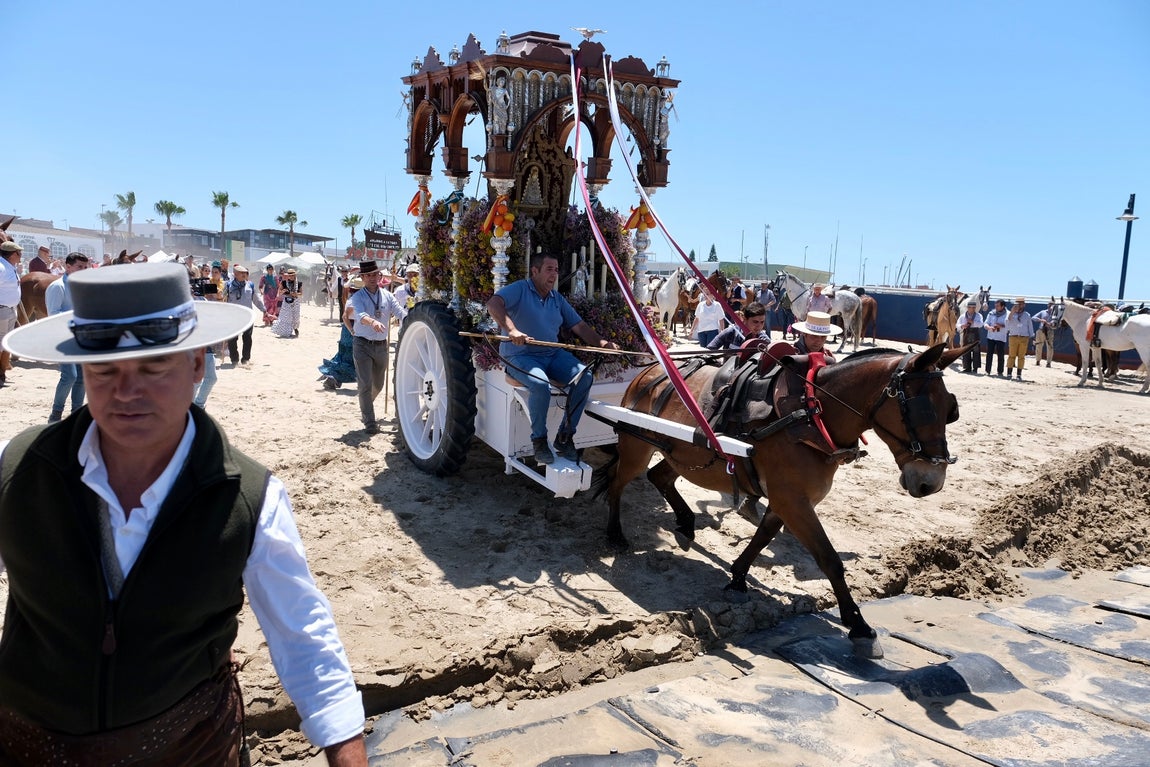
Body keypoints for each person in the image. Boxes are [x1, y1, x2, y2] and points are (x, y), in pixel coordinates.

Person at [0, 263, 367, 766]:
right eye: (105, 369)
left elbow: (304, 636)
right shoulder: (20, 469)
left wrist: (346, 754)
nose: (127, 391)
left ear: (198, 364)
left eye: (153, 367)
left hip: (190, 750)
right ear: (82, 369)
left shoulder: (249, 499)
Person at [487, 252, 617, 464]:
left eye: (556, 270)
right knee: (540, 385)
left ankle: (565, 437)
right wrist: (512, 330)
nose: (554, 274)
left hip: (551, 354)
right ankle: (539, 441)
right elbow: (494, 303)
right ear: (535, 271)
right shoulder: (520, 288)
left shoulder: (557, 299)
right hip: (520, 355)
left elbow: (580, 326)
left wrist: (602, 344)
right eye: (549, 269)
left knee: (584, 377)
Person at [348, 261, 406, 433]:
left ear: (379, 276)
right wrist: (372, 321)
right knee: (365, 384)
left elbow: (399, 312)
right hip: (362, 344)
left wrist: (411, 318)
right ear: (363, 278)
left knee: (379, 385)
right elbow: (359, 314)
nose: (372, 278)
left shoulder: (387, 295)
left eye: (375, 274)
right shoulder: (357, 297)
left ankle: (365, 404)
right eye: (369, 275)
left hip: (382, 346)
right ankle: (369, 421)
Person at [46, 252, 91, 421]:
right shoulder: (58, 287)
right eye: (79, 267)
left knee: (81, 378)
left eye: (85, 267)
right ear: (68, 266)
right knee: (69, 376)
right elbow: (53, 315)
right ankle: (56, 414)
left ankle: (76, 415)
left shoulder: (83, 287)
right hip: (62, 339)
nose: (83, 270)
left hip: (80, 338)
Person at [320, 275, 363, 390]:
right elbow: (345, 317)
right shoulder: (354, 300)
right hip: (352, 329)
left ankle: (334, 379)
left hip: (350, 330)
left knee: (346, 356)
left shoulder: (353, 299)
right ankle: (334, 379)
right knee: (350, 357)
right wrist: (352, 331)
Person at [224, 264, 266, 366]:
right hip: (233, 317)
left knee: (247, 338)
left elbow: (256, 299)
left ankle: (245, 359)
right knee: (232, 339)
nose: (244, 275)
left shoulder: (250, 285)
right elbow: (223, 300)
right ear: (235, 274)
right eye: (241, 273)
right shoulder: (228, 285)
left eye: (245, 273)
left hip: (248, 316)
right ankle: (234, 359)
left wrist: (264, 310)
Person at [0, 242, 23, 386]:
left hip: (9, 309)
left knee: (4, 344)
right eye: (19, 253)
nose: (20, 256)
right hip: (2, 310)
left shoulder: (9, 266)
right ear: (13, 254)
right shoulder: (1, 267)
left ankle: (1, 372)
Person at [1005, 297, 1033, 380]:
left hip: (1024, 337)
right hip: (1013, 336)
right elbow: (1007, 322)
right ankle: (1009, 373)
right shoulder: (1011, 313)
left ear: (1024, 305)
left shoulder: (1027, 315)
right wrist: (1013, 312)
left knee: (1021, 356)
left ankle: (1019, 375)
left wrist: (1031, 336)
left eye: (1021, 304)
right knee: (1011, 355)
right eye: (1018, 304)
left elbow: (1030, 326)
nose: (1020, 306)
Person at [272, 268, 303, 338]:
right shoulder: (283, 283)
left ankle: (295, 328)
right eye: (289, 275)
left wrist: (296, 294)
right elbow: (279, 292)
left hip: (296, 301)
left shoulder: (299, 283)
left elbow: (301, 293)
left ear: (295, 275)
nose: (291, 277)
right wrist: (283, 291)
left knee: (296, 317)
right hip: (287, 301)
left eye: (292, 275)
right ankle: (287, 331)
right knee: (286, 317)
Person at [956, 298, 984, 374]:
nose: (971, 309)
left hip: (975, 333)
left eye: (973, 308)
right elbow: (957, 325)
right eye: (970, 307)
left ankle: (975, 368)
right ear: (967, 308)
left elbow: (981, 324)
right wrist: (962, 326)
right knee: (966, 350)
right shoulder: (962, 316)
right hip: (966, 333)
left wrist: (973, 322)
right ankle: (967, 367)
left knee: (976, 350)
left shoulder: (978, 315)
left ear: (975, 308)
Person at [984, 298, 1008, 377]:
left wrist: (1001, 326)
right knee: (989, 354)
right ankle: (987, 371)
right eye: (995, 306)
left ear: (1003, 306)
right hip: (991, 336)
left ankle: (1000, 372)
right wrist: (989, 327)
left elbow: (1009, 326)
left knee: (1000, 355)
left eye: (998, 306)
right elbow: (986, 323)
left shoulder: (1008, 314)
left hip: (1001, 337)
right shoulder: (991, 313)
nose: (996, 307)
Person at [1032, 301, 1058, 368]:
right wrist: (1041, 320)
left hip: (1050, 331)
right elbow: (1033, 317)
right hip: (1041, 330)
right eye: (1049, 304)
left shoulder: (1055, 314)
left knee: (1050, 347)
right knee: (1038, 345)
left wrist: (1051, 324)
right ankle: (1038, 361)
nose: (1050, 306)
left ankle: (1048, 363)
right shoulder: (1042, 312)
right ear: (1047, 305)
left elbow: (1057, 323)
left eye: (1052, 305)